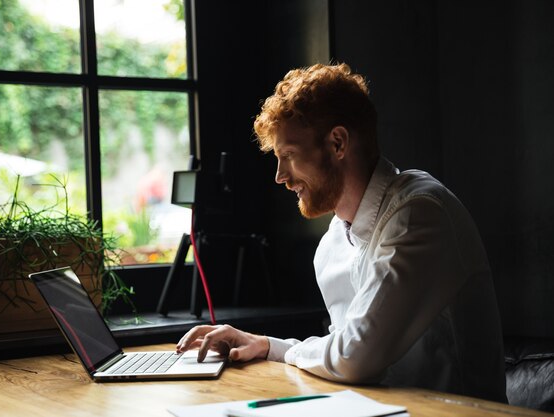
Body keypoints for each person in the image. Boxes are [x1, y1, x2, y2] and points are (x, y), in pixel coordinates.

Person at [176, 63, 507, 402]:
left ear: (337, 143)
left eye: (288, 155)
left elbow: (352, 357)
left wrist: (284, 352)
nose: (279, 176)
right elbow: (341, 350)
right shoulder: (333, 243)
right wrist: (265, 345)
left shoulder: (420, 212)